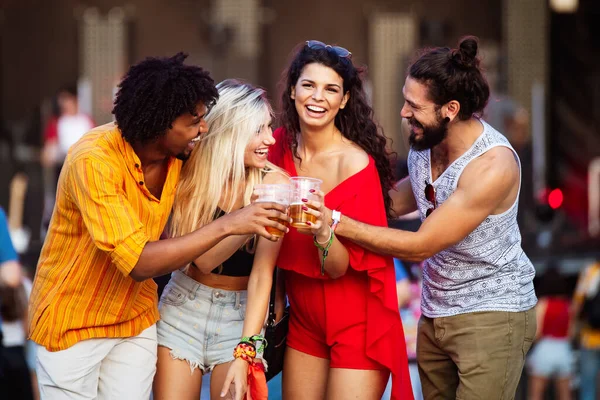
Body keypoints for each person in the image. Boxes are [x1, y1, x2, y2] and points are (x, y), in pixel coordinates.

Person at [27, 53, 290, 400]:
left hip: (135, 319)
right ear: (161, 125)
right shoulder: (94, 161)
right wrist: (237, 221)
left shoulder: (179, 158)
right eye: (194, 121)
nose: (204, 129)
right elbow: (139, 263)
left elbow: (225, 153)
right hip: (75, 322)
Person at [319, 36, 538, 399]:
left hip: (492, 315)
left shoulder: (491, 165)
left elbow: (420, 245)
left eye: (413, 105)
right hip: (435, 313)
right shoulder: (427, 141)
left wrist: (335, 220)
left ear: (450, 108)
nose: (404, 113)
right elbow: (389, 202)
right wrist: (322, 185)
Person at [227, 40, 414, 400]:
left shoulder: (356, 164)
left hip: (358, 320)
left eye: (331, 89)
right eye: (309, 85)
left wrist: (323, 231)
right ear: (293, 89)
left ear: (344, 100)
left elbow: (339, 268)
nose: (318, 97)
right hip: (304, 319)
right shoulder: (275, 146)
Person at [152, 79, 288, 400]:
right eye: (258, 129)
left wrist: (246, 351)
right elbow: (203, 259)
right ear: (230, 132)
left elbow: (262, 275)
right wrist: (248, 215)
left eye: (269, 127)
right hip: (184, 307)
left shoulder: (276, 183)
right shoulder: (191, 175)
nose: (270, 138)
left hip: (242, 316)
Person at [527, 263, 573, 400]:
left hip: (544, 349)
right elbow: (570, 333)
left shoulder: (543, 303)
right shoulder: (568, 305)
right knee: (565, 395)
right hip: (564, 350)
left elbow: (538, 332)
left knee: (536, 395)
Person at [570, 258, 600, 400]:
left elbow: (577, 306)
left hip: (589, 338)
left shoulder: (590, 272)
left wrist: (571, 330)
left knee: (588, 386)